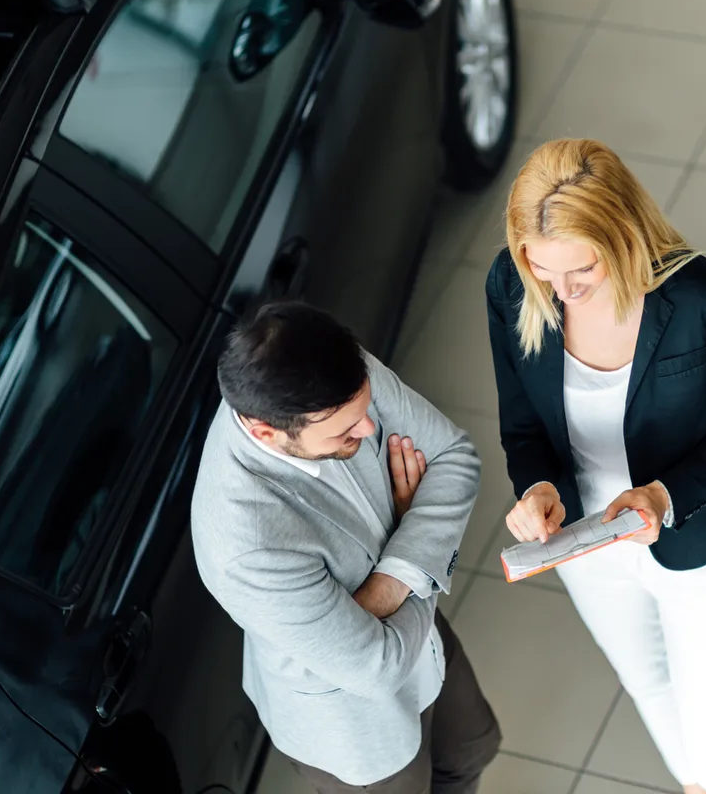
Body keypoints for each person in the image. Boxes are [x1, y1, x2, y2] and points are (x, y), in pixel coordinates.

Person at [485, 139, 706, 794]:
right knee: (651, 684)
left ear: (621, 235)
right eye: (543, 272)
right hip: (587, 545)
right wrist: (537, 485)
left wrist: (663, 495)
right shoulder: (511, 287)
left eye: (580, 275)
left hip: (698, 544)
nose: (560, 295)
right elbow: (522, 425)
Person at [192, 301, 500, 793]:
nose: (369, 428)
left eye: (364, 409)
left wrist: (396, 571)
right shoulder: (244, 543)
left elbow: (454, 457)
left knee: (474, 748)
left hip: (418, 635)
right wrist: (416, 542)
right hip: (353, 720)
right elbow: (376, 669)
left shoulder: (333, 374)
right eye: (344, 431)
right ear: (266, 431)